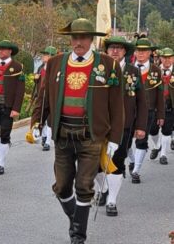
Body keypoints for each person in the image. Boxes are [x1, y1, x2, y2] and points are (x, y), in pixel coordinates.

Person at [30, 18, 124, 244]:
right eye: (74, 37)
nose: (78, 42)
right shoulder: (55, 63)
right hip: (62, 133)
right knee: (62, 186)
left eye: (83, 37)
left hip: (91, 135)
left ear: (91, 39)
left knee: (84, 185)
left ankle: (78, 235)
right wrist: (36, 123)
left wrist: (115, 138)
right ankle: (76, 219)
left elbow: (117, 105)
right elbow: (43, 98)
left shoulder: (108, 65)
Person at [94, 36, 147, 216]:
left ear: (125, 51)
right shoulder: (99, 69)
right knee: (96, 162)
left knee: (116, 161)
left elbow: (142, 102)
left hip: (123, 125)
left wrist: (140, 126)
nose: (115, 51)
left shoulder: (133, 71)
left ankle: (112, 200)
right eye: (111, 48)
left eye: (119, 48)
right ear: (107, 51)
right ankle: (102, 190)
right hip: (100, 124)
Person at [0, 40, 25, 175]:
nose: (0, 51)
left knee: (4, 135)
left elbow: (20, 90)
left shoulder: (18, 67)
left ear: (10, 51)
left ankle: (1, 164)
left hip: (7, 106)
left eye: (4, 49)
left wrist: (16, 108)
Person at [131, 37, 164, 182]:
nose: (141, 53)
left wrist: (160, 114)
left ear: (150, 52)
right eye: (138, 50)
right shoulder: (128, 68)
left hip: (148, 111)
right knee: (124, 141)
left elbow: (160, 94)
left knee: (141, 140)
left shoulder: (156, 70)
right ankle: (132, 161)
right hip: (129, 110)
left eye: (144, 51)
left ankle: (136, 171)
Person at [34, 46, 57, 151]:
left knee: (50, 119)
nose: (44, 56)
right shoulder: (40, 68)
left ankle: (48, 141)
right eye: (44, 54)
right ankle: (43, 136)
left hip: (52, 97)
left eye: (46, 54)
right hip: (41, 96)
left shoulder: (55, 69)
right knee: (41, 117)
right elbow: (37, 83)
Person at [157, 47, 174, 164]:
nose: (167, 60)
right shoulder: (155, 70)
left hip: (171, 104)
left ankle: (163, 153)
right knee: (157, 130)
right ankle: (159, 148)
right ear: (160, 58)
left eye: (169, 58)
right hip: (158, 104)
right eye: (164, 58)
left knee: (168, 129)